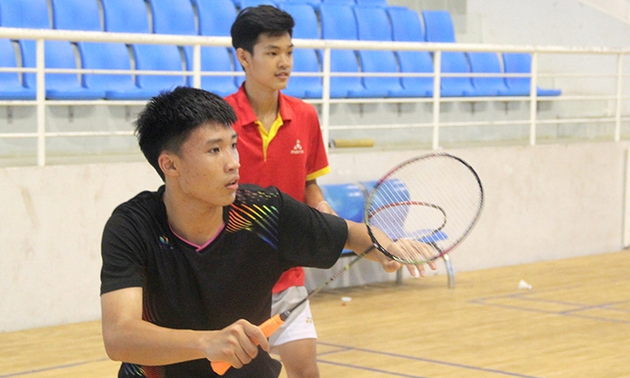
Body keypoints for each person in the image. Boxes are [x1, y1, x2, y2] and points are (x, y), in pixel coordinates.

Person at [99, 86, 436, 378]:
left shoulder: (264, 212)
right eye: (214, 150)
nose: (233, 162)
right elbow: (119, 335)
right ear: (169, 165)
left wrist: (388, 247)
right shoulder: (133, 226)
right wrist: (208, 342)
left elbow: (354, 235)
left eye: (233, 145)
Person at [224, 6, 334, 378]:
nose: (284, 62)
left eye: (288, 52)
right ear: (243, 57)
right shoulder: (220, 120)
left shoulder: (305, 116)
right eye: (272, 52)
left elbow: (309, 184)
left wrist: (320, 205)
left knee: (306, 372)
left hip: (287, 275)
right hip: (230, 276)